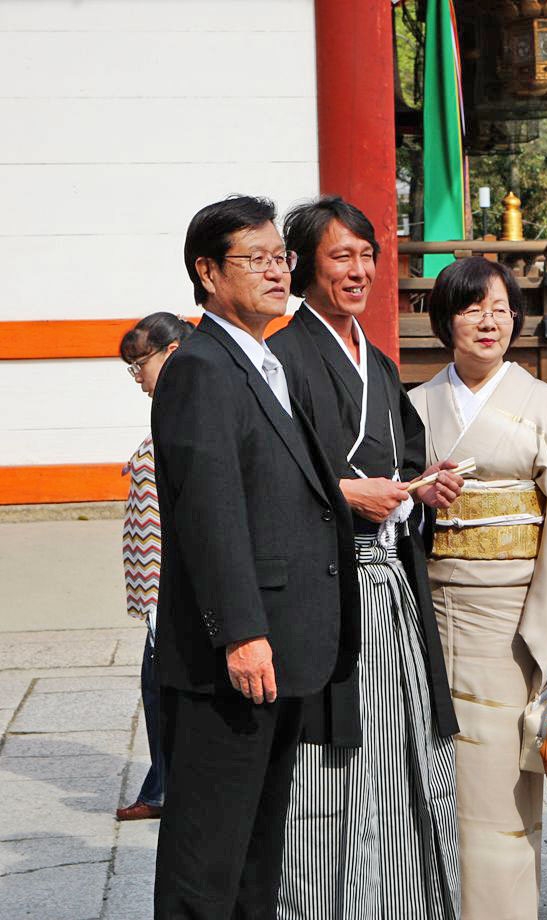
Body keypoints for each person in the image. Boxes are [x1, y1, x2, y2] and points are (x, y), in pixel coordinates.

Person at [151, 195, 359, 919]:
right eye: (257, 259)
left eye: (282, 257)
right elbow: (208, 513)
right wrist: (240, 631)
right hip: (234, 658)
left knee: (256, 851)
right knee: (206, 857)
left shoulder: (265, 361)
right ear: (208, 273)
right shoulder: (200, 368)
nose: (277, 272)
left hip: (284, 645)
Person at [408, 256, 547, 920]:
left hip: (513, 613)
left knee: (502, 783)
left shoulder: (541, 403)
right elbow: (391, 508)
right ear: (447, 320)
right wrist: (420, 494)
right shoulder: (416, 407)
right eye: (473, 308)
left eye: (502, 309)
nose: (489, 321)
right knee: (431, 776)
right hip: (434, 607)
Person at [268, 196, 462, 919]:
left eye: (367, 255)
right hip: (326, 595)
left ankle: (401, 902)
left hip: (388, 590)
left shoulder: (378, 365)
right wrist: (349, 495)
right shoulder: (282, 358)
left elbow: (402, 461)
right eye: (341, 255)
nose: (358, 270)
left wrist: (421, 487)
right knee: (328, 768)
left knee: (402, 749)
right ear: (303, 265)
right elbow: (271, 476)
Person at [115, 312, 194, 822]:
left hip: (175, 588)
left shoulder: (191, 407)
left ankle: (169, 787)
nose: (138, 378)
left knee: (165, 687)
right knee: (156, 686)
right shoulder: (175, 407)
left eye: (139, 364)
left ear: (171, 351)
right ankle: (163, 783)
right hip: (159, 592)